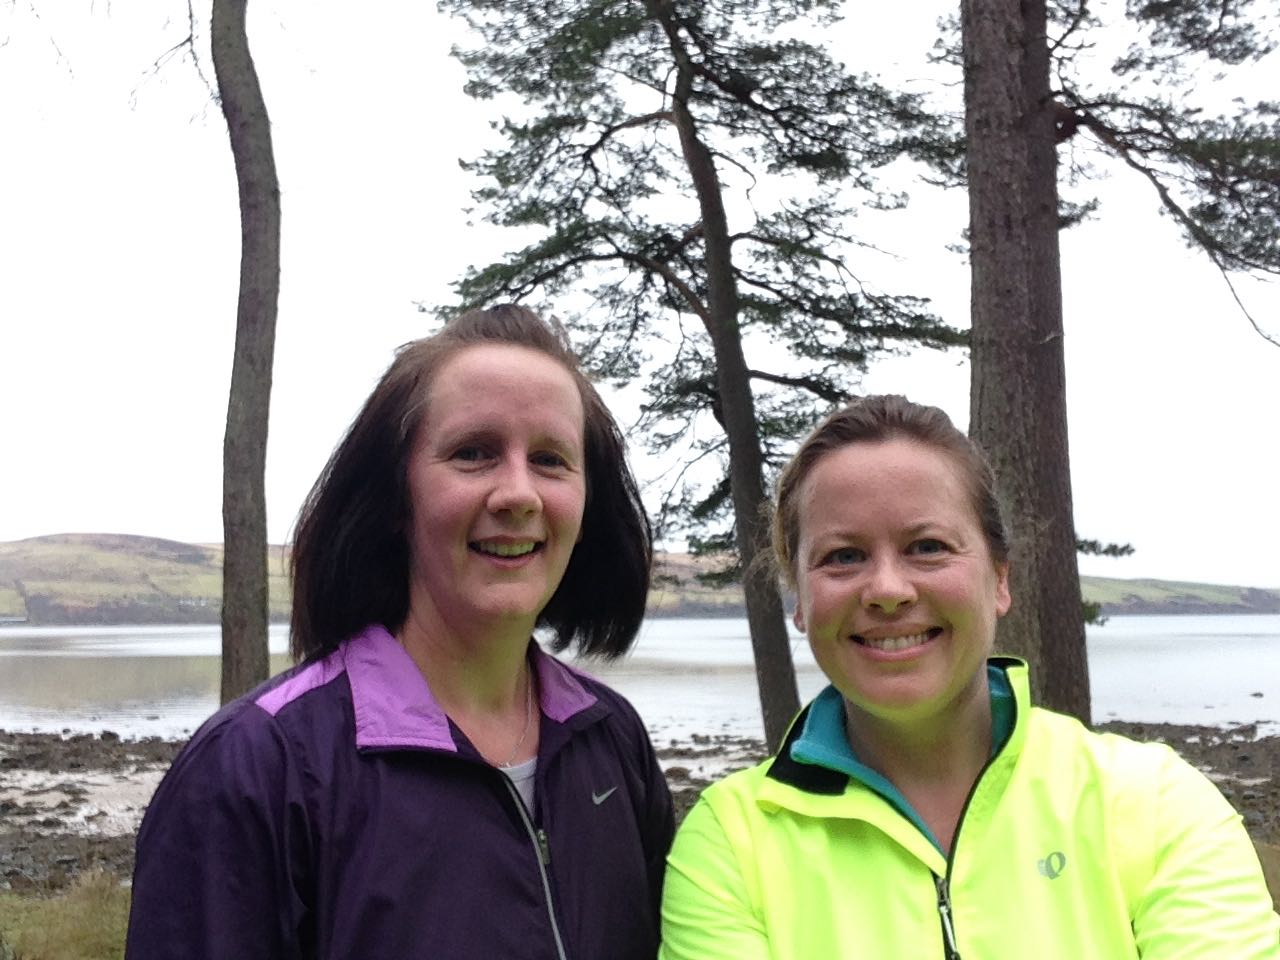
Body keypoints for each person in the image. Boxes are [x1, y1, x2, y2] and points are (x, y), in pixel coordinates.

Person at [127, 305, 674, 959]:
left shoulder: (612, 739)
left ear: (587, 508)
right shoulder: (256, 767)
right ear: (395, 497)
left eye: (551, 460)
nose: (518, 493)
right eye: (473, 453)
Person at [660, 395, 1279, 959]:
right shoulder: (730, 844)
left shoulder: (1155, 804)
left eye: (927, 546)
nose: (887, 589)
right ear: (799, 600)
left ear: (999, 579)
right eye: (843, 556)